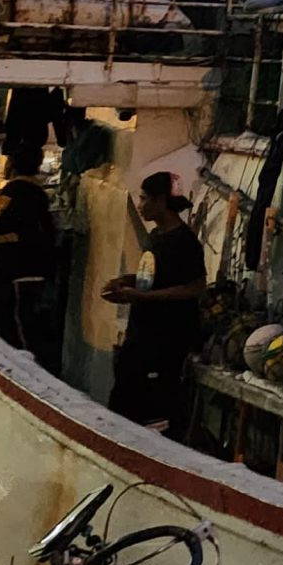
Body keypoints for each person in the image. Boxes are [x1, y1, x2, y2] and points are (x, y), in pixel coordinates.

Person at [103, 172, 206, 435]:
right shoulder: (156, 235)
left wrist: (143, 297)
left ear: (161, 201)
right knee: (123, 400)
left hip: (164, 340)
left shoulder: (184, 241)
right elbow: (152, 277)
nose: (140, 205)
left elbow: (194, 287)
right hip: (141, 333)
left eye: (144, 198)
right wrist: (124, 281)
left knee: (152, 410)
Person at [0, 146, 59, 373]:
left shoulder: (13, 191)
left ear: (14, 164)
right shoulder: (38, 193)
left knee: (14, 326)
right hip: (32, 269)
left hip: (12, 270)